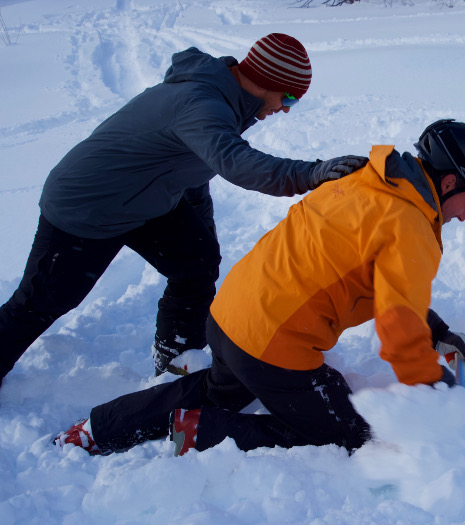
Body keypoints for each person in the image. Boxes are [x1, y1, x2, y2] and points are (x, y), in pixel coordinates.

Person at [54, 119, 465, 456]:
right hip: (272, 347)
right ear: (449, 182)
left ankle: (99, 428)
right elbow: (397, 327)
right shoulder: (411, 226)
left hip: (230, 317)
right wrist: (439, 389)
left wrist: (437, 329)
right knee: (349, 436)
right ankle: (203, 431)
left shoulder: (368, 182)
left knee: (220, 386)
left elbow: (389, 284)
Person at [0, 33, 368, 383]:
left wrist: (202, 226)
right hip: (87, 204)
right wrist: (313, 173)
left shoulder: (226, 100)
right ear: (265, 80)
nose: (285, 110)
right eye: (288, 99)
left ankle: (178, 361)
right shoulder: (201, 103)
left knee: (197, 263)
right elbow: (235, 161)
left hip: (147, 196)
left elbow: (194, 166)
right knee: (40, 303)